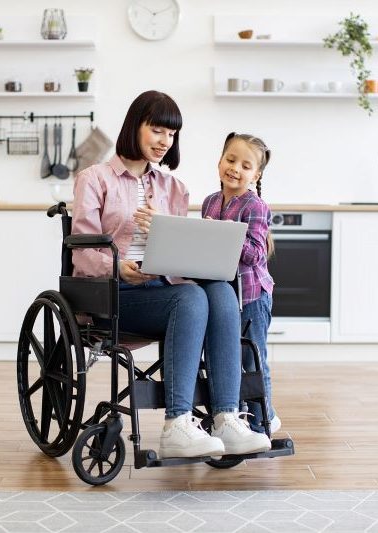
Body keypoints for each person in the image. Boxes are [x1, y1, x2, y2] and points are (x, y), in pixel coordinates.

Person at [71, 91, 271, 458]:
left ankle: (226, 416)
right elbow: (82, 253)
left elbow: (181, 254)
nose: (166, 141)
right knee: (192, 297)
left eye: (172, 134)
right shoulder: (95, 179)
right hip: (112, 293)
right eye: (158, 130)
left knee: (220, 289)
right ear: (135, 127)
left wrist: (172, 229)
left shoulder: (173, 188)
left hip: (164, 288)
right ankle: (177, 423)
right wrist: (118, 267)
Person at [202, 132, 280, 435]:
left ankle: (264, 421)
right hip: (223, 296)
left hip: (252, 298)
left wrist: (221, 233)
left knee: (252, 360)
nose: (235, 168)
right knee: (228, 360)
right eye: (230, 159)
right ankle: (236, 419)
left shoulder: (255, 206)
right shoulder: (210, 202)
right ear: (220, 161)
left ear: (256, 174)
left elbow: (255, 254)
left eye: (245, 165)